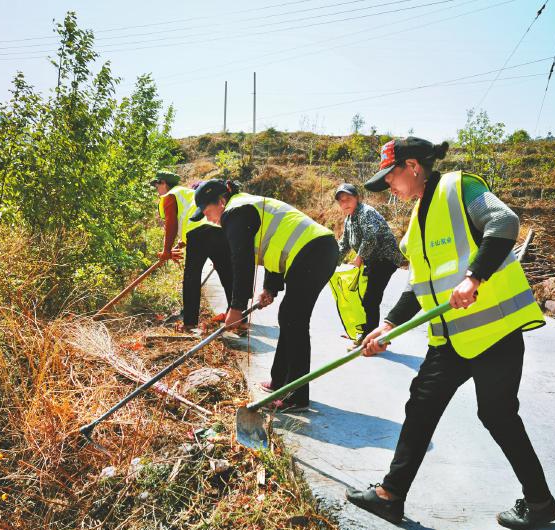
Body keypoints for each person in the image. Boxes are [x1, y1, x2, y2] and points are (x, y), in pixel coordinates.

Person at [344, 137, 555, 530]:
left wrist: (474, 276)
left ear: (412, 166)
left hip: (494, 332)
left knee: (497, 415)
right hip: (449, 340)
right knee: (420, 407)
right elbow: (418, 285)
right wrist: (388, 325)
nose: (388, 185)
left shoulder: (459, 188)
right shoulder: (416, 219)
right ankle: (390, 496)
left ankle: (540, 502)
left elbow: (504, 222)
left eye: (390, 175)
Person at [190, 179, 338, 410]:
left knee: (294, 319)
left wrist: (236, 307)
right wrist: (271, 287)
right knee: (288, 316)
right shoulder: (245, 207)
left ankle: (297, 395)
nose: (209, 219)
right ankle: (279, 381)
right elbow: (274, 243)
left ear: (221, 201)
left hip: (314, 251)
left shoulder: (235, 212)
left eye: (208, 212)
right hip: (313, 251)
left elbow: (242, 261)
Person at [150, 171, 234, 332]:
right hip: (217, 229)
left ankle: (190, 322)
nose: (156, 188)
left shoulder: (171, 195)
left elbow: (172, 222)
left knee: (191, 277)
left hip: (198, 232)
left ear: (164, 183)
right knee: (227, 272)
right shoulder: (188, 193)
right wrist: (181, 242)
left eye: (157, 184)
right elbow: (188, 216)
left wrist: (166, 250)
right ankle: (236, 315)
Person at [334, 182, 404, 346]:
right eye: (341, 200)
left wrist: (359, 258)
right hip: (373, 260)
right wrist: (332, 263)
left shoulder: (366, 212)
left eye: (348, 198)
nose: (345, 203)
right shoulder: (349, 220)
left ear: (356, 198)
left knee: (370, 299)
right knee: (366, 297)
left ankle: (370, 338)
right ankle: (367, 332)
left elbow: (371, 237)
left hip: (386, 258)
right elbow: (343, 244)